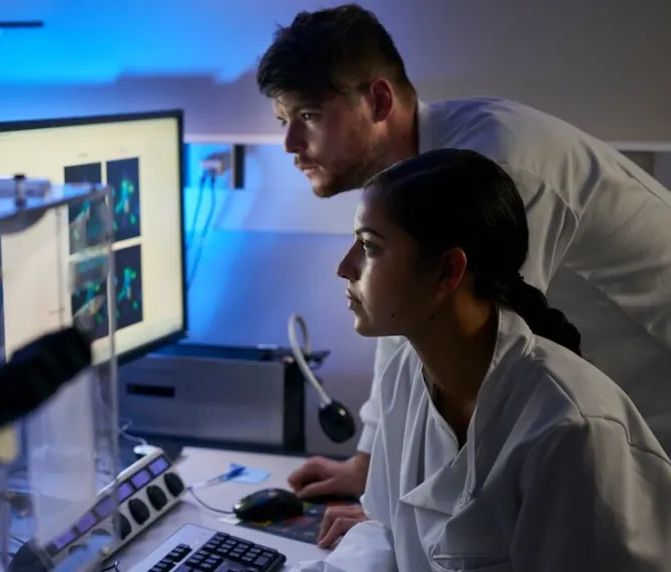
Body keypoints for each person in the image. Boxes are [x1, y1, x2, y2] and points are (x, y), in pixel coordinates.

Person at [257, 4, 671, 546]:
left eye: (308, 115)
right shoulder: (410, 189)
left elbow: (491, 369)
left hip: (645, 408)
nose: (290, 144)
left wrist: (402, 520)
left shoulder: (492, 168)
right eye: (282, 121)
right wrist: (374, 472)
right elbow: (411, 328)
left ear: (378, 100)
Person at [301, 148, 671, 571]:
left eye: (369, 246)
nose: (344, 267)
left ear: (447, 271)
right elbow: (385, 531)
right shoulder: (404, 373)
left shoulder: (570, 429)